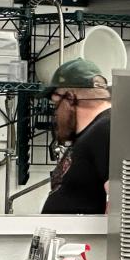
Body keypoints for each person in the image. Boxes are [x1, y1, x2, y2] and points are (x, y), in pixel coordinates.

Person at [40, 58, 112, 215]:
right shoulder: (92, 131)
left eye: (56, 105)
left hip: (84, 239)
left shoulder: (105, 129)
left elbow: (119, 201)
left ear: (70, 99)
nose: (56, 114)